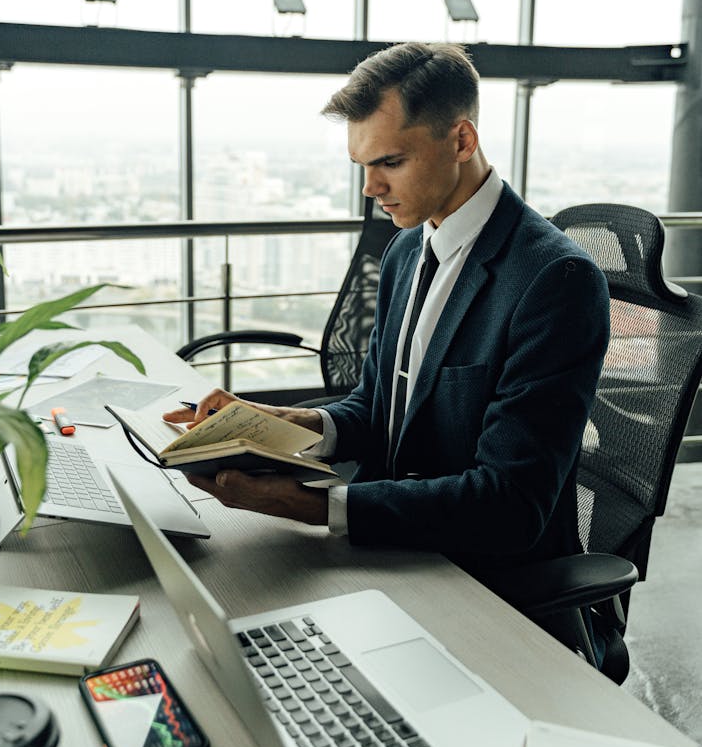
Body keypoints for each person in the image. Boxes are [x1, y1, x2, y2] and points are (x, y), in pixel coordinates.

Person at [164, 41, 610, 579]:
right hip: (391, 544)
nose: (371, 188)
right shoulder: (405, 249)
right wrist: (289, 424)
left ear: (462, 140)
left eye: (390, 163)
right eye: (362, 165)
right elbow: (380, 408)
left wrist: (309, 506)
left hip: (483, 577)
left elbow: (510, 506)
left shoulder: (553, 280)